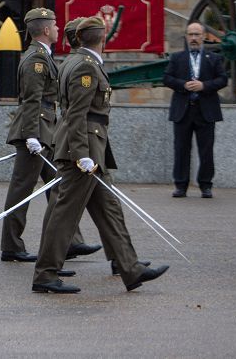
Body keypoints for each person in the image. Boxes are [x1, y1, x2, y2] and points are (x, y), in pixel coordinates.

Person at [32, 17, 169, 294]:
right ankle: (45, 274)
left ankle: (129, 268)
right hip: (82, 153)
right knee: (65, 215)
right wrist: (81, 155)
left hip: (91, 151)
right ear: (103, 38)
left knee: (109, 211)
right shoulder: (85, 66)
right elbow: (76, 115)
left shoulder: (75, 60)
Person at [0, 8, 94, 265]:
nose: (57, 29)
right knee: (22, 190)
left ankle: (71, 242)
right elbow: (31, 100)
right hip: (35, 133)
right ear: (44, 30)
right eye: (54, 25)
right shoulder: (36, 60)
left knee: (59, 186)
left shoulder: (43, 56)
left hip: (45, 131)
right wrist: (31, 136)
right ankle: (11, 245)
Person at [163, 22, 227, 198]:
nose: (193, 38)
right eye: (190, 34)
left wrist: (203, 86)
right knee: (181, 149)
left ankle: (206, 185)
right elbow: (167, 78)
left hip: (206, 111)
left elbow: (223, 80)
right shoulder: (177, 58)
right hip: (182, 111)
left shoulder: (214, 58)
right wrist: (183, 85)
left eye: (197, 34)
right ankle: (180, 186)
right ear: (186, 36)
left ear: (203, 36)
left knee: (206, 150)